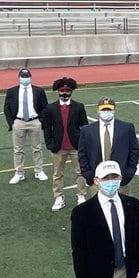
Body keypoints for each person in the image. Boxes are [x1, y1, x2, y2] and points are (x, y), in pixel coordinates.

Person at [42, 77, 88, 212]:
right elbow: (46, 128)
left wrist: (83, 143)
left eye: (67, 90)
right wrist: (50, 144)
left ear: (72, 92)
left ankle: (81, 195)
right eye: (62, 90)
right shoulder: (50, 108)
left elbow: (84, 126)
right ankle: (58, 197)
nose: (65, 93)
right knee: (57, 174)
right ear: (58, 92)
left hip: (76, 147)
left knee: (80, 172)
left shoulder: (79, 106)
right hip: (58, 147)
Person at [77, 97, 139, 194]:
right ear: (98, 110)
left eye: (109, 109)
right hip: (97, 181)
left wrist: (128, 173)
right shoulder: (87, 130)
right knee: (98, 208)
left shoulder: (127, 128)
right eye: (103, 109)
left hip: (120, 180)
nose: (106, 112)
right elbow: (82, 154)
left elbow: (134, 151)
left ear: (114, 110)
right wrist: (89, 175)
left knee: (122, 207)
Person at [3, 68, 48, 184]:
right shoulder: (11, 91)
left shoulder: (39, 91)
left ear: (30, 77)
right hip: (19, 122)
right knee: (18, 149)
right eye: (23, 77)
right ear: (19, 78)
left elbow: (45, 107)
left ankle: (39, 170)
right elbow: (6, 108)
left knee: (37, 148)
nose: (25, 79)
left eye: (26, 76)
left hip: (34, 121)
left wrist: (40, 121)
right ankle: (19, 173)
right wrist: (11, 123)